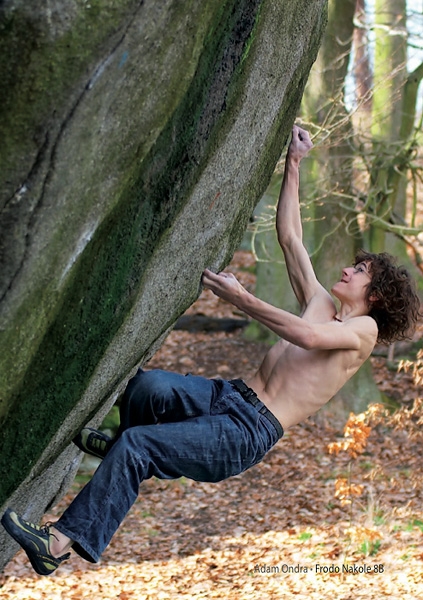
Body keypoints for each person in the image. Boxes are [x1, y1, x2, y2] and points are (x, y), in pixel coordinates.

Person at [2, 126, 420, 576]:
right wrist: (294, 163)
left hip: (246, 432)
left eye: (358, 270)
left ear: (375, 294)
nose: (346, 268)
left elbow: (308, 338)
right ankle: (122, 445)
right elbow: (290, 238)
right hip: (229, 396)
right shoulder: (321, 303)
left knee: (141, 447)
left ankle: (57, 542)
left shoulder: (363, 332)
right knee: (147, 387)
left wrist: (242, 300)